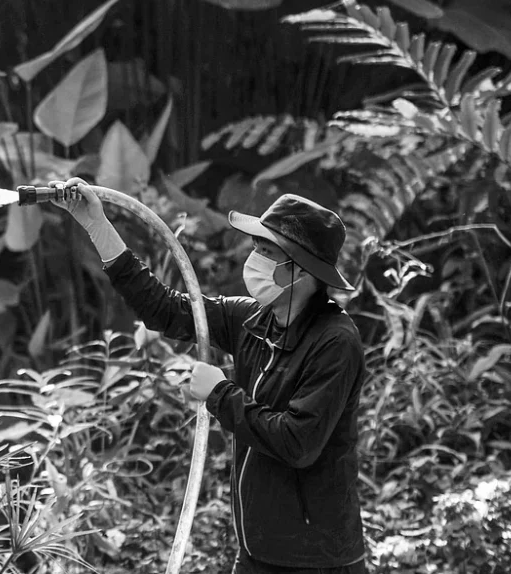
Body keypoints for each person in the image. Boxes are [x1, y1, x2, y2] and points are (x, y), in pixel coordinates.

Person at [50, 178, 367, 574]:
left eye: (267, 252)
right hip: (255, 550)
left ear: (300, 269)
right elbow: (164, 308)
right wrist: (96, 225)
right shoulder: (251, 319)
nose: (255, 260)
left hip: (317, 559)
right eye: (256, 248)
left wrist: (219, 393)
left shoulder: (335, 341)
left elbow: (297, 443)